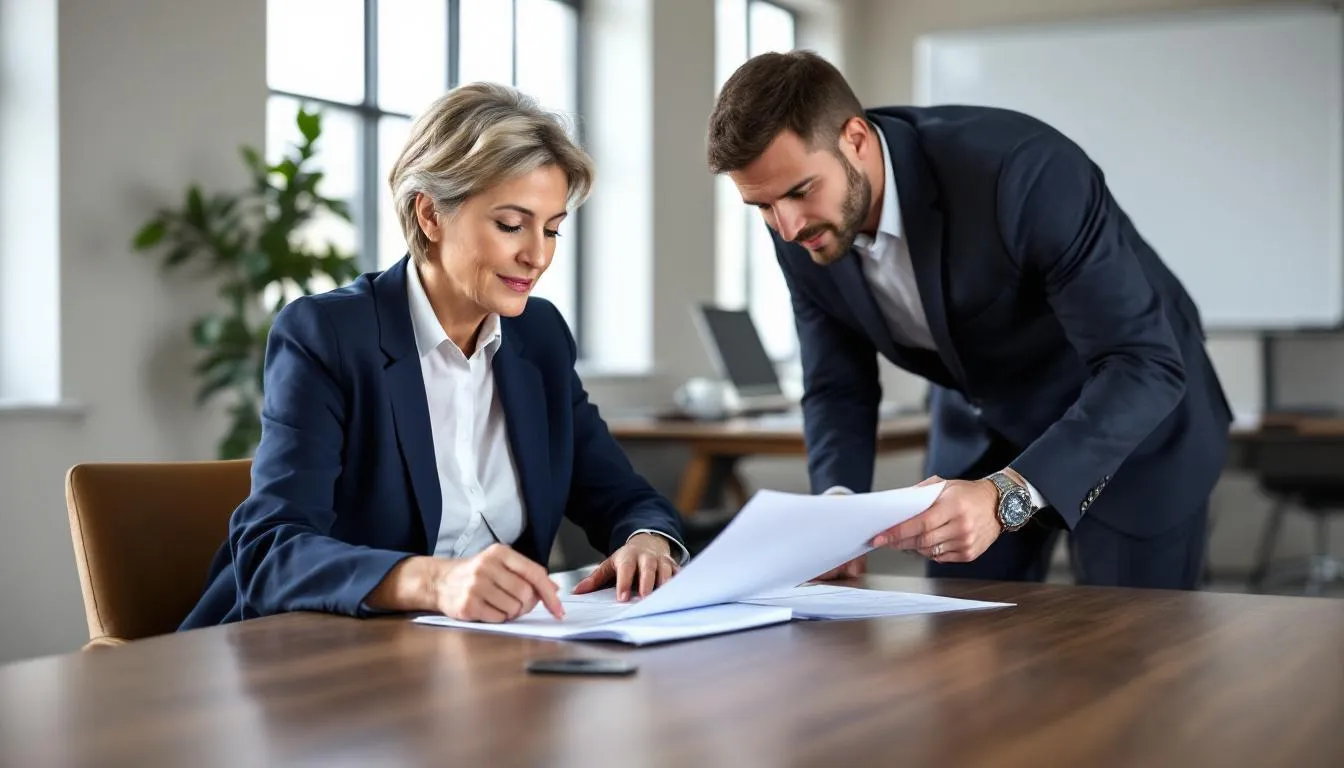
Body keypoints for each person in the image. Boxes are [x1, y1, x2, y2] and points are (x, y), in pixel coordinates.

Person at [706, 51, 1232, 590]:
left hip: (1128, 423)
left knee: (1129, 658)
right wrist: (838, 513)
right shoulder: (799, 226)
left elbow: (1142, 363)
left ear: (856, 139)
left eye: (799, 192)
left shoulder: (1022, 172)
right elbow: (837, 385)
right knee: (960, 649)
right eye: (763, 207)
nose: (787, 227)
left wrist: (1009, 494)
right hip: (982, 432)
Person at [181, 83, 686, 629]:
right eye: (511, 225)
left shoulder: (538, 338)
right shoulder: (328, 335)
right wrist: (433, 581)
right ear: (430, 216)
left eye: (552, 229)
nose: (537, 255)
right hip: (317, 661)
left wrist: (648, 540)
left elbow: (621, 493)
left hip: (479, 663)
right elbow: (269, 552)